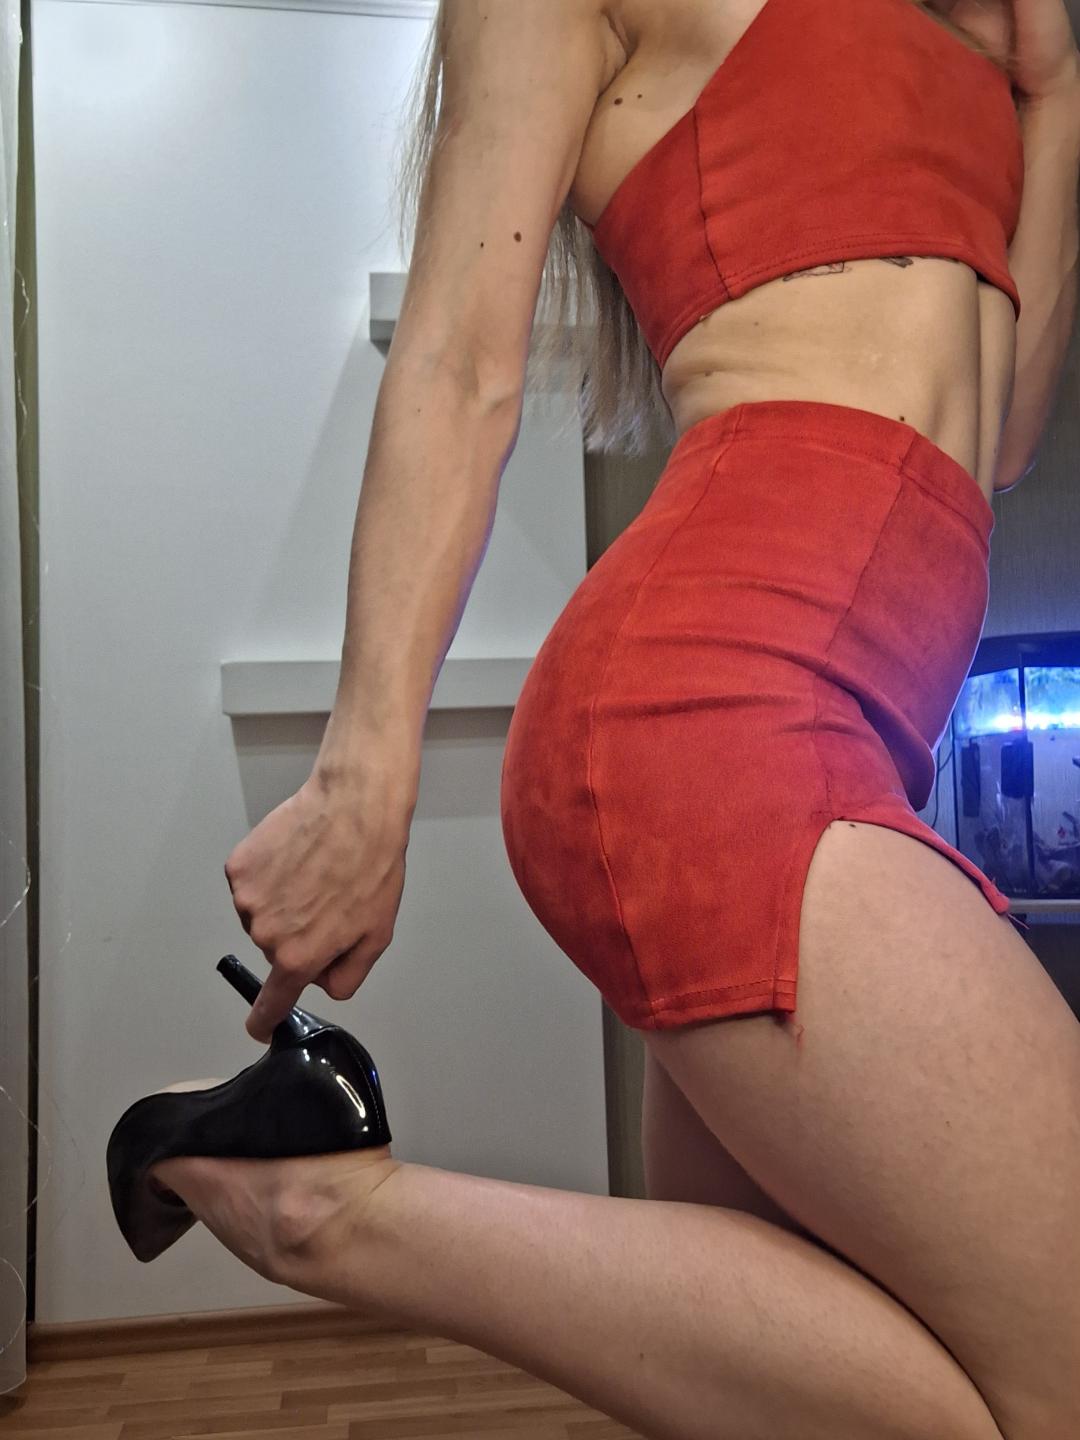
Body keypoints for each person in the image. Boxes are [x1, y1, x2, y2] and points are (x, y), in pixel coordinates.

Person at [151, 2, 1080, 1436]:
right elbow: (461, 364)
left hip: (848, 734)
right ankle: (326, 1213)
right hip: (708, 708)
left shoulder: (962, 32)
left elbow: (1003, 432)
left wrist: (1058, 88)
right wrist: (360, 779)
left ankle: (311, 1190)